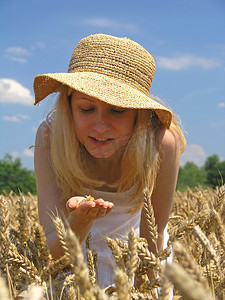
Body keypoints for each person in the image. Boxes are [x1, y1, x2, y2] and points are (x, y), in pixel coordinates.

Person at [33, 34, 186, 289]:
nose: (101, 126)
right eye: (86, 108)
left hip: (138, 262)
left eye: (117, 110)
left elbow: (153, 237)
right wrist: (81, 220)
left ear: (140, 115)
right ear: (68, 105)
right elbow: (51, 254)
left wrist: (141, 292)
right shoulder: (51, 135)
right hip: (73, 269)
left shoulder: (161, 143)